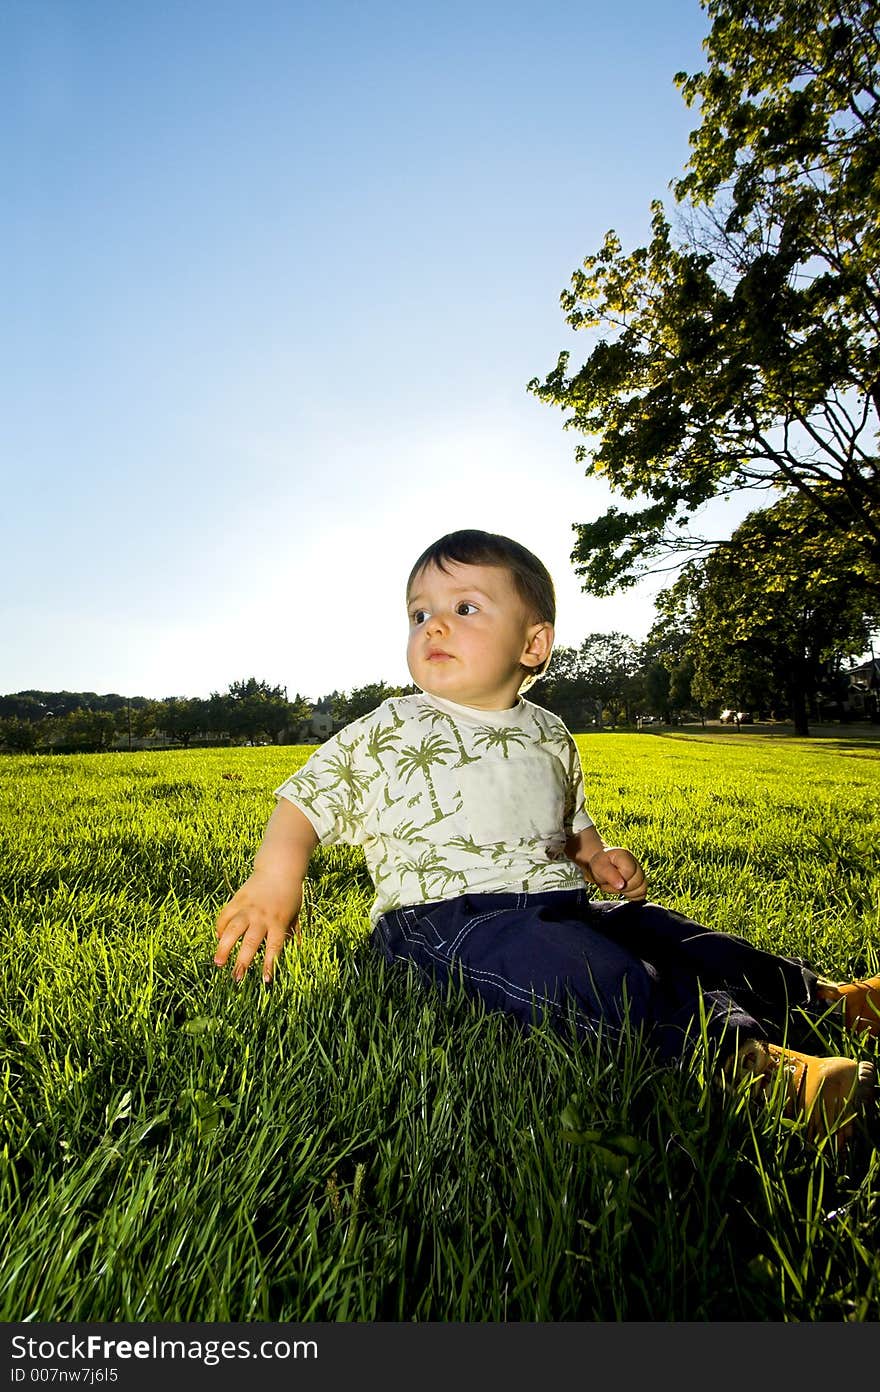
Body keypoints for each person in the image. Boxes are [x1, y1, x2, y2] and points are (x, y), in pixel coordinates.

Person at [213, 529, 879, 1146]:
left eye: (465, 608)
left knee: (667, 934)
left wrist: (599, 859)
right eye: (419, 614)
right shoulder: (394, 725)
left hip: (560, 903)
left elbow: (570, 824)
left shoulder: (550, 732)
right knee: (597, 975)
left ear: (533, 645)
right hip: (444, 921)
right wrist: (276, 879)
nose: (433, 625)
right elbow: (304, 801)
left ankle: (822, 1000)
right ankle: (754, 1071)